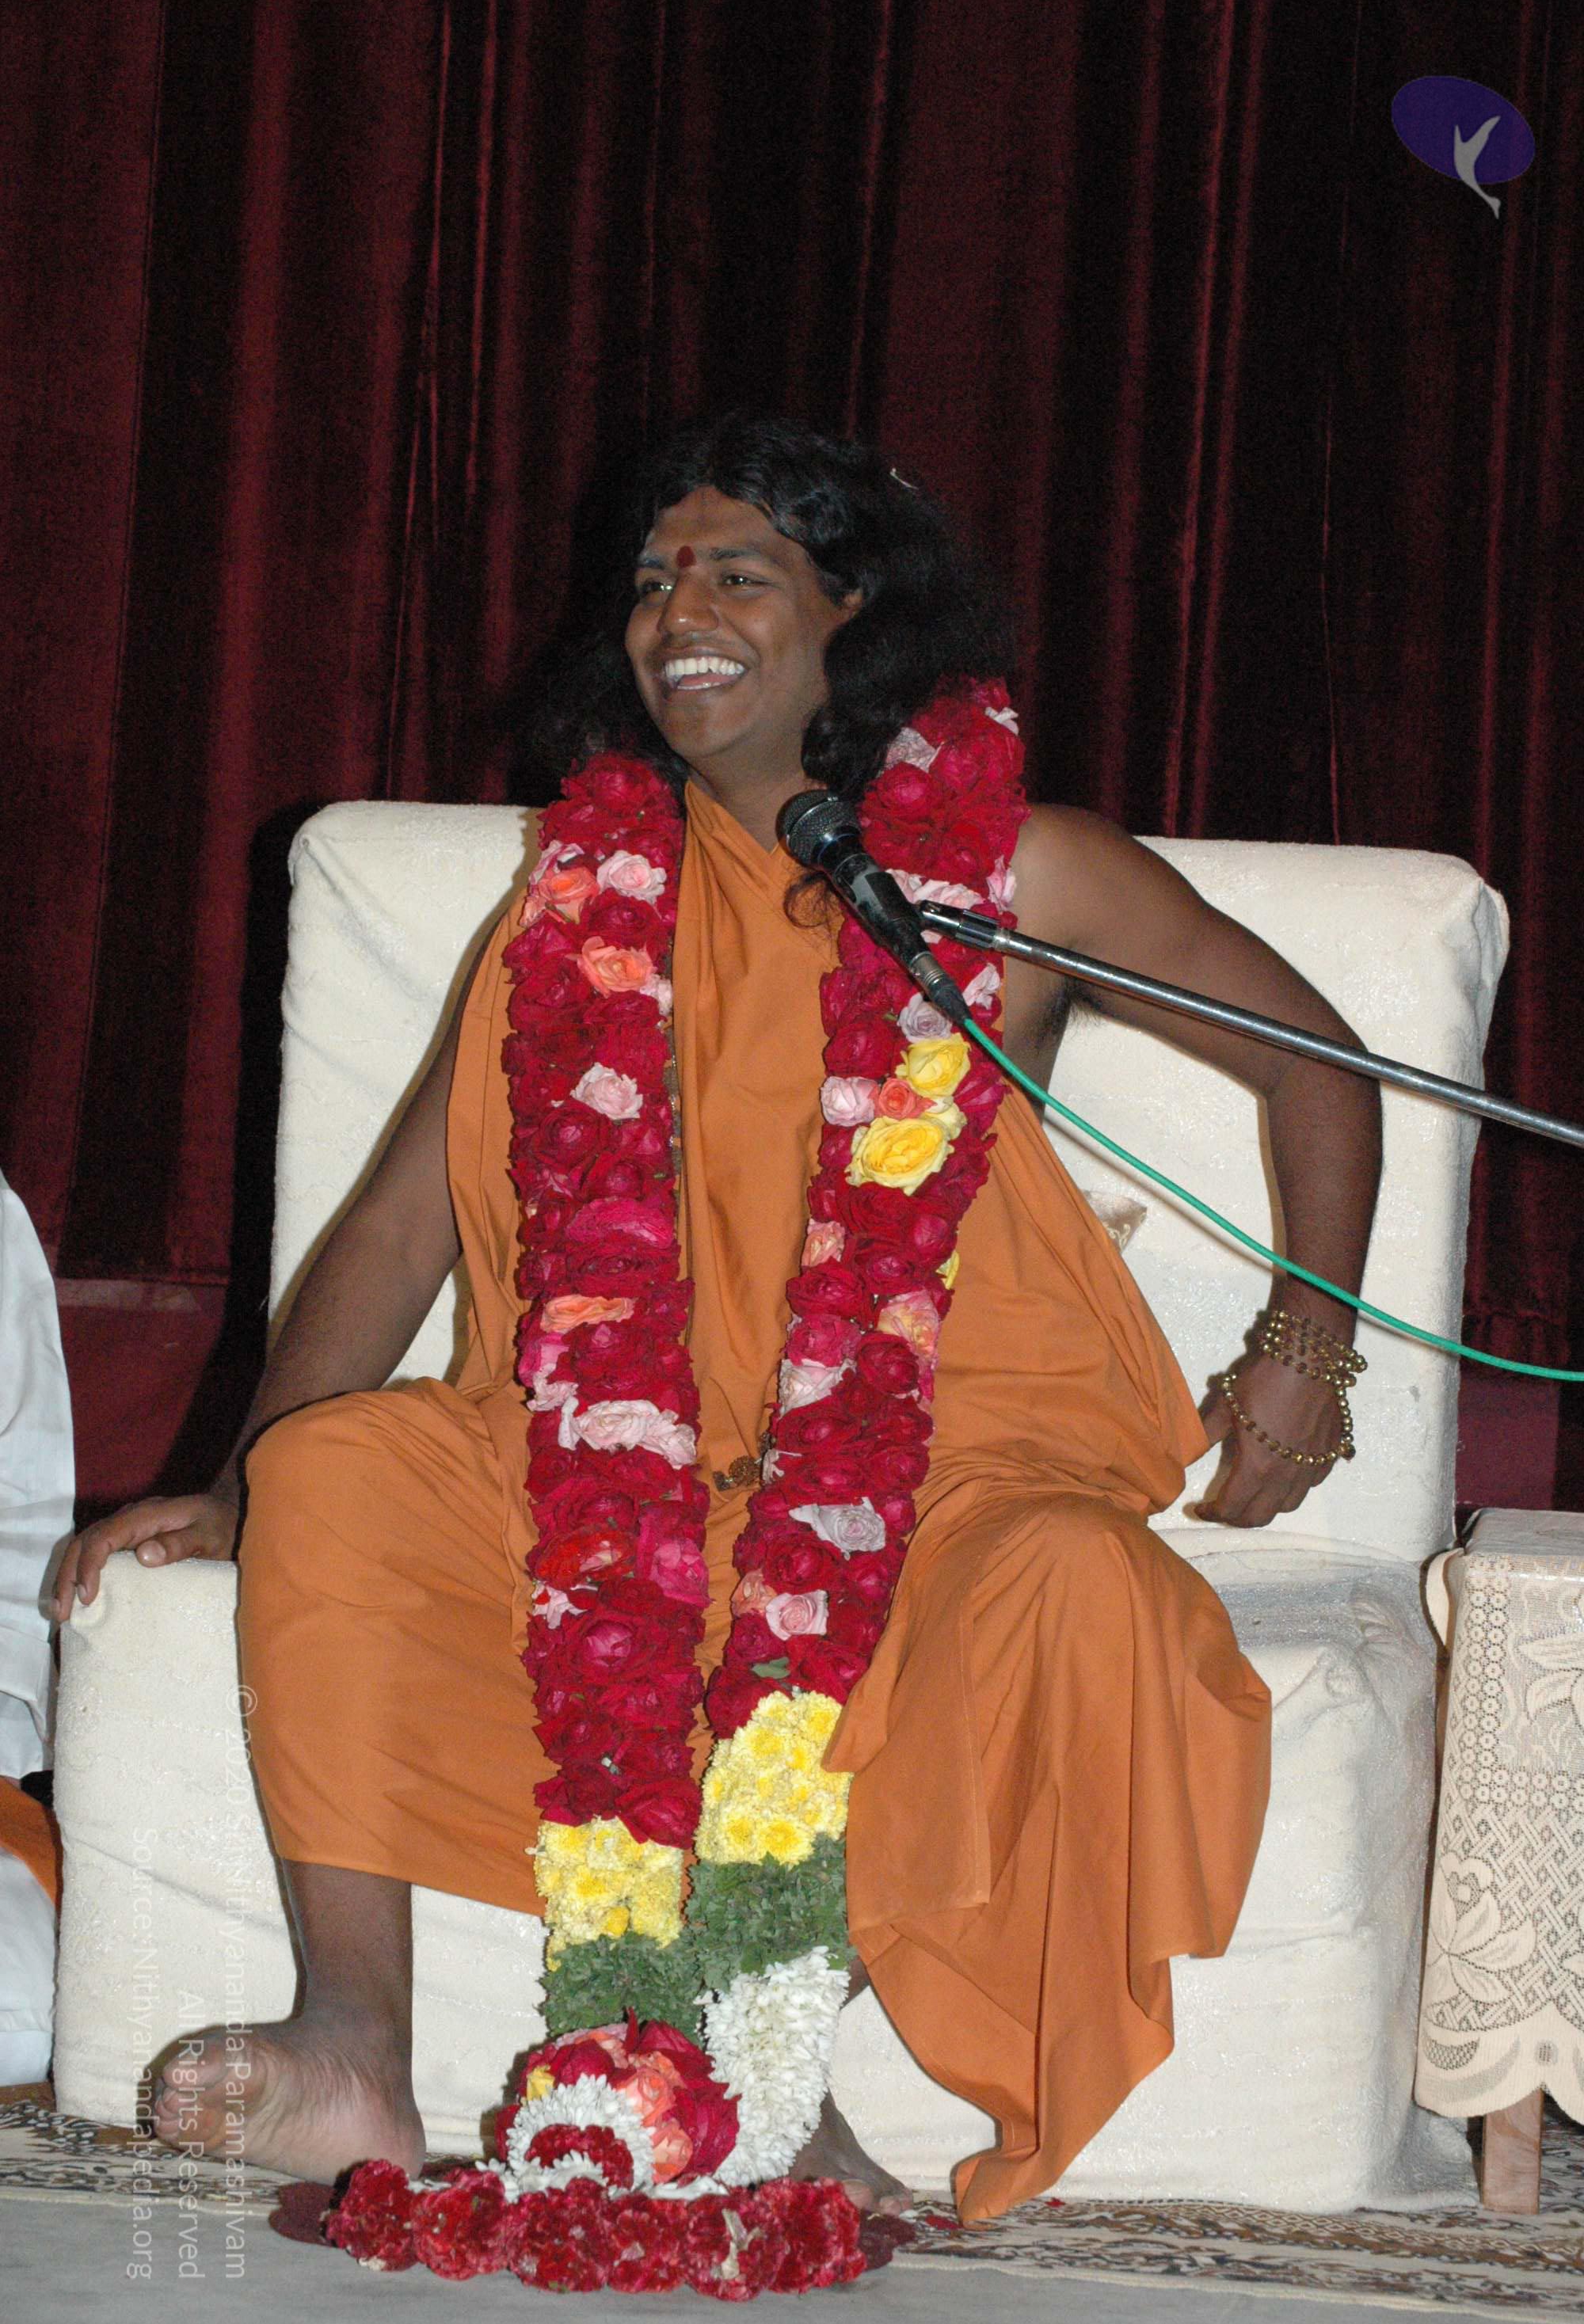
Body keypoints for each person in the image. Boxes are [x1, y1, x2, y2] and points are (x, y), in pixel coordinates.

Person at [54, 415, 1380, 2219]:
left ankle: (764, 2061)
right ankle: (353, 2043)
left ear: (855, 612)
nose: (677, 612)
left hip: (939, 1466)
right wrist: (237, 1487)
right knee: (340, 1472)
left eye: (737, 573)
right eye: (652, 580)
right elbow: (399, 1225)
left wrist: (1307, 1343)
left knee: (1080, 1594)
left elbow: (1322, 1069)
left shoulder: (1020, 872)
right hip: (613, 1461)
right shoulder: (570, 909)